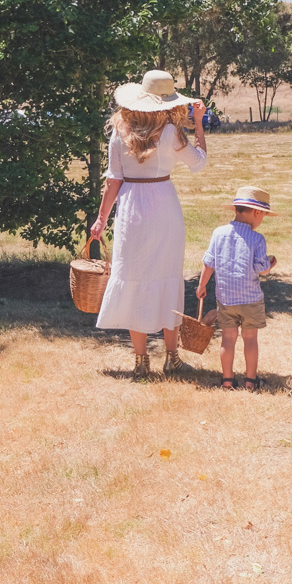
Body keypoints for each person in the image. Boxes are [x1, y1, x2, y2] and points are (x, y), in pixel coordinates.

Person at [90, 70, 207, 378]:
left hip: (131, 208)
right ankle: (171, 356)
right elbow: (199, 163)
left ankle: (141, 360)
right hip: (164, 206)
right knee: (168, 276)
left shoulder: (120, 131)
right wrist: (200, 125)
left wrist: (101, 219)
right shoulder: (172, 132)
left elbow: (113, 181)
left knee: (132, 277)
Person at [196, 186, 277, 391]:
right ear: (257, 212)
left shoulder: (219, 233)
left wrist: (202, 285)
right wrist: (270, 264)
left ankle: (227, 380)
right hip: (251, 299)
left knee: (228, 339)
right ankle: (250, 381)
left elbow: (209, 263)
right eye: (263, 216)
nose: (261, 220)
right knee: (250, 339)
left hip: (226, 298)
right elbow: (261, 269)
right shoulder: (257, 239)